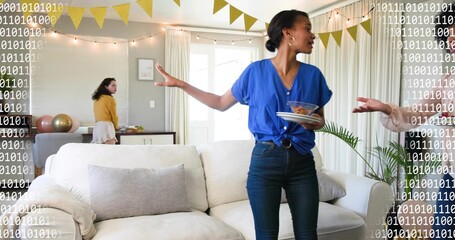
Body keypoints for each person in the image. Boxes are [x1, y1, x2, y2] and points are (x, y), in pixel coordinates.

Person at [155, 10, 332, 240]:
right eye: (307, 28)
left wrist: (310, 122)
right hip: (265, 161)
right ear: (288, 33)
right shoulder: (255, 72)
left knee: (308, 235)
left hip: (302, 163)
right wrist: (181, 84)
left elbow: (320, 120)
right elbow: (220, 103)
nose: (313, 35)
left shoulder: (314, 75)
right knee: (266, 236)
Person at [353, 5, 455, 240]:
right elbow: (418, 113)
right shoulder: (447, 82)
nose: (452, 42)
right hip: (451, 177)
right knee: (442, 234)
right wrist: (387, 108)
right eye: (449, 37)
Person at [91, 77, 119, 144]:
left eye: (116, 85)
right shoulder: (110, 99)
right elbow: (114, 115)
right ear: (106, 86)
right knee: (110, 150)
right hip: (107, 126)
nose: (115, 87)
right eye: (113, 85)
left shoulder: (97, 98)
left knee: (100, 150)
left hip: (97, 126)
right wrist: (116, 126)